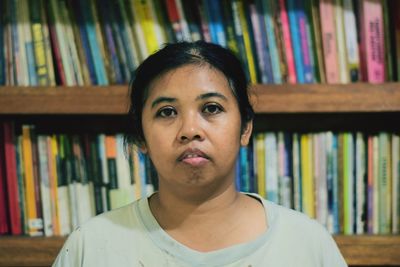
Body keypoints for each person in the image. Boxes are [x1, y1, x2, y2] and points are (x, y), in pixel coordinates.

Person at [53, 41, 347, 267]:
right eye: (167, 112)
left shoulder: (306, 243)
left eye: (211, 108)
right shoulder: (91, 246)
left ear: (245, 128)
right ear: (141, 136)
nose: (190, 130)